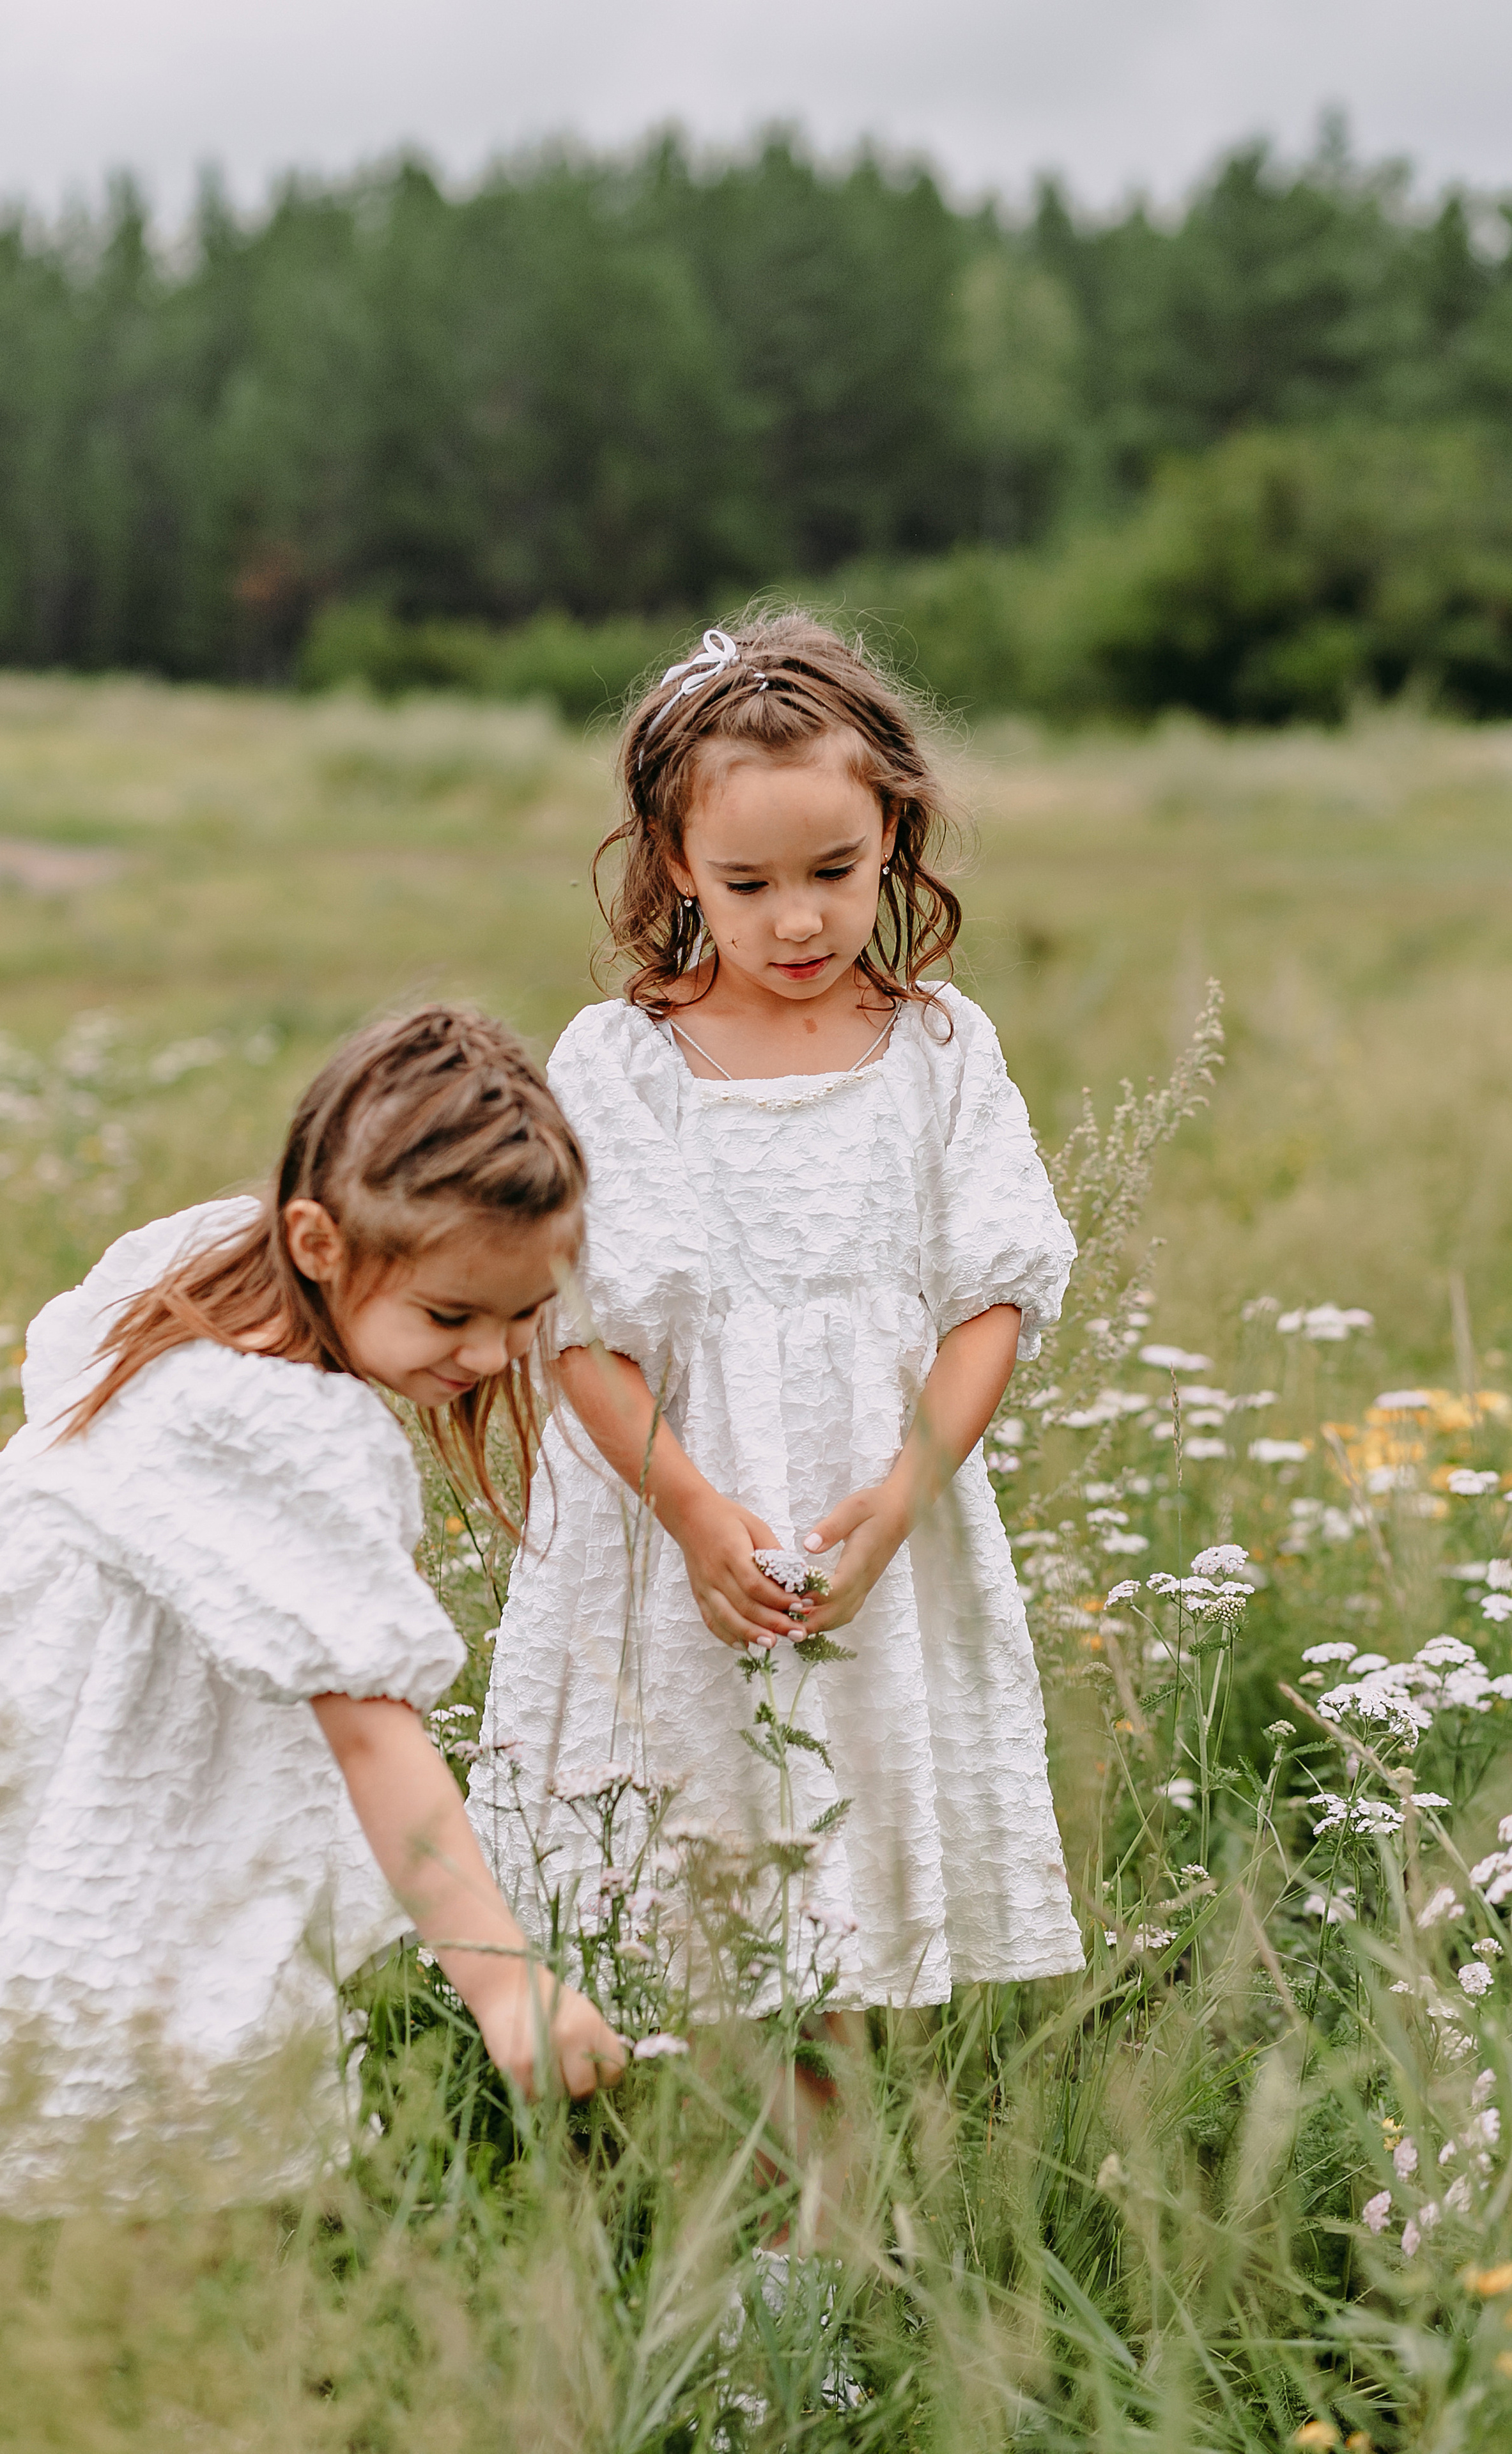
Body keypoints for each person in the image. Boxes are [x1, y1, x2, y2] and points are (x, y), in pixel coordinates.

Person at [467, 615, 1084, 2133]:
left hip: (877, 1515)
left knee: (846, 1902)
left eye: (832, 872)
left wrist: (894, 1505)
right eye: (746, 885)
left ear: (895, 840)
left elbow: (989, 1301)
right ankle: (667, 2210)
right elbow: (580, 1329)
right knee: (682, 1874)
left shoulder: (937, 1049)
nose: (796, 920)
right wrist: (687, 1509)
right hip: (673, 1520)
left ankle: (815, 2269)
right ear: (676, 865)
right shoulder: (621, 1061)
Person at [0, 1007, 627, 2219]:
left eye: (525, 1316)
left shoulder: (228, 1264)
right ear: (319, 1240)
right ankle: (160, 2301)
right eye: (452, 1316)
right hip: (100, 1751)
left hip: (7, 1694)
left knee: (120, 2023)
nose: (493, 1357)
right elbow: (373, 1732)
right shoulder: (287, 1428)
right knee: (166, 2035)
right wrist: (504, 1982)